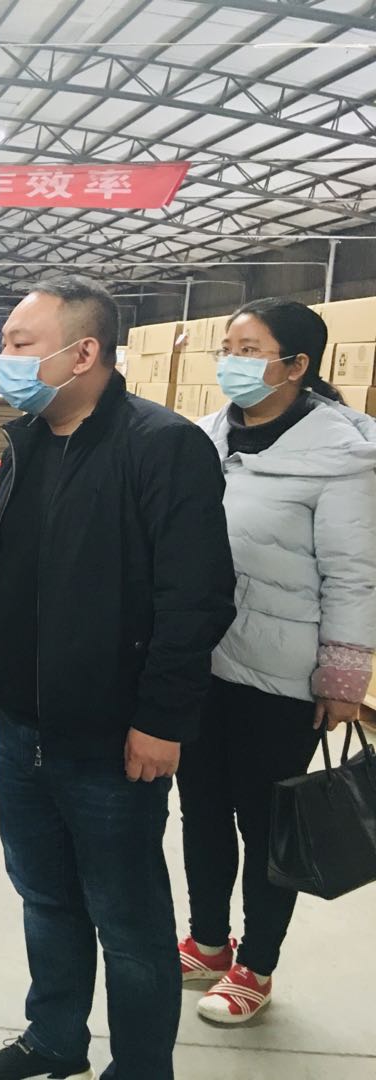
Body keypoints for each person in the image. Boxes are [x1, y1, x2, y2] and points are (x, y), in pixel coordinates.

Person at [0, 277, 236, 1080]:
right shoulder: (27, 442)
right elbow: (11, 579)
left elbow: (196, 598)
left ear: (82, 353)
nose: (5, 358)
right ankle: (54, 1039)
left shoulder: (161, 445)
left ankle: (142, 1066)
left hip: (115, 738)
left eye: (20, 343)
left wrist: (162, 720)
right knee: (45, 896)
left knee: (128, 917)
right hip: (24, 728)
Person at [177, 298, 376, 1024]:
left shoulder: (343, 456)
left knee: (266, 825)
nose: (232, 361)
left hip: (280, 674)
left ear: (296, 366)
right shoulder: (202, 438)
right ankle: (207, 941)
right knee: (199, 809)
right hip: (199, 661)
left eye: (249, 348)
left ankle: (256, 965)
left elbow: (354, 573)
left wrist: (343, 677)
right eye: (227, 347)